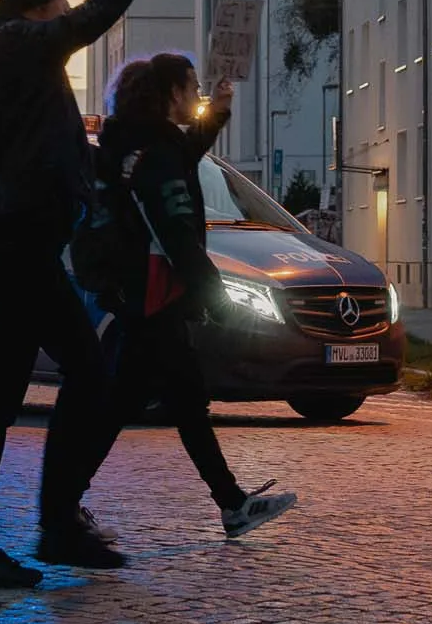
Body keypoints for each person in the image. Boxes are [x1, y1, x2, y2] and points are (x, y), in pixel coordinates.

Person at [0, 0, 194, 590]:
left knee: (4, 393)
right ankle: (46, 525)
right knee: (85, 372)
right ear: (39, 1)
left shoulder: (3, 55)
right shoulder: (18, 44)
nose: (66, 9)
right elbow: (96, 13)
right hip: (17, 246)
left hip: (11, 243)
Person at [73, 54, 296, 538]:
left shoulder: (134, 144)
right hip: (155, 294)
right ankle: (64, 503)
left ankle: (231, 503)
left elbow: (185, 152)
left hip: (141, 292)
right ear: (170, 93)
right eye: (192, 87)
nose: (195, 94)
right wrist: (212, 292)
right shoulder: (156, 155)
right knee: (159, 403)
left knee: (161, 402)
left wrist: (217, 111)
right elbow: (173, 228)